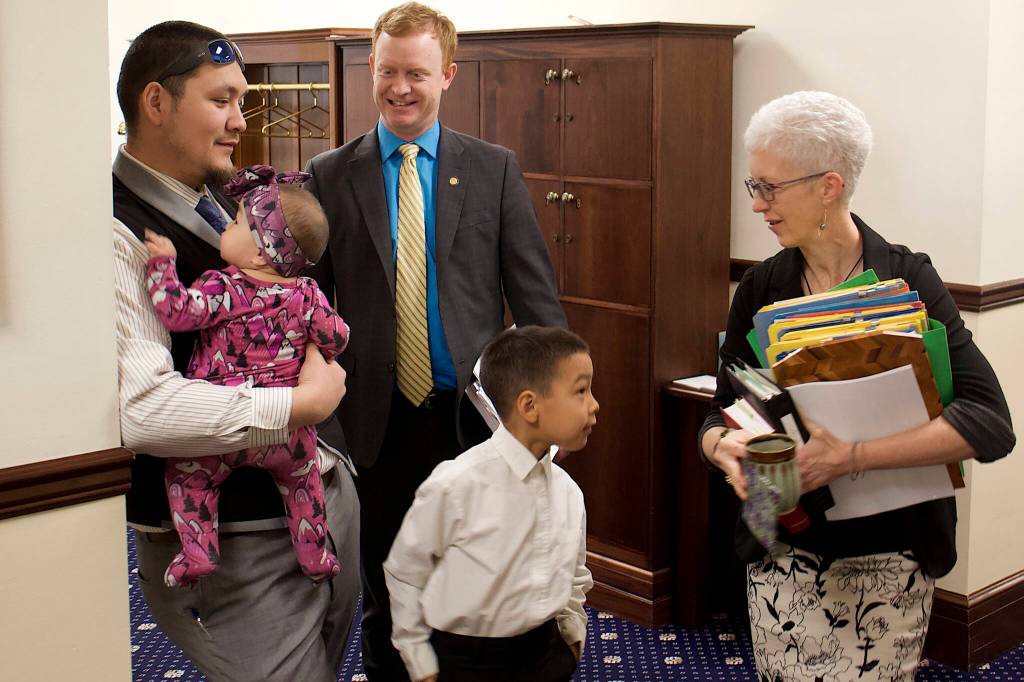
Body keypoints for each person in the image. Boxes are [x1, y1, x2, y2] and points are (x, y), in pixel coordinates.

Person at [699, 90, 1015, 681]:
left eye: (771, 188)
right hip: (783, 549)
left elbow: (990, 423)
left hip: (890, 556)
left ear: (829, 186)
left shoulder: (907, 278)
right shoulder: (762, 288)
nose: (757, 205)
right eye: (753, 187)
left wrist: (850, 458)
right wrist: (725, 451)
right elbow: (720, 414)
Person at [304, 3, 567, 679]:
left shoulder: (493, 170)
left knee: (484, 590)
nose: (400, 87)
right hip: (373, 427)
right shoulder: (330, 174)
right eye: (388, 71)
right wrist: (326, 425)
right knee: (391, 594)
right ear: (372, 68)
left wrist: (555, 409)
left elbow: (535, 302)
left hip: (473, 426)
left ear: (447, 74)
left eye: (416, 73)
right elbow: (309, 308)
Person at [112, 21, 360, 682]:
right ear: (156, 104)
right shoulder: (117, 230)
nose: (239, 121)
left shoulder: (223, 198)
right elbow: (142, 409)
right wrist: (300, 401)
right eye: (221, 100)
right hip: (233, 542)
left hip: (313, 497)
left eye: (241, 101)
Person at [144, 165, 349, 588]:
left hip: (228, 423)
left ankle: (197, 554)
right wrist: (315, 353)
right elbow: (338, 337)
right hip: (288, 430)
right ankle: (316, 556)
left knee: (188, 478)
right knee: (303, 485)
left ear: (260, 252)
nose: (227, 223)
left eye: (237, 221)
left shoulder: (223, 287)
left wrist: (162, 265)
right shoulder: (307, 293)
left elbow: (178, 312)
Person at [384, 325, 596, 682]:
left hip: (546, 653)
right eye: (581, 391)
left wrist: (572, 637)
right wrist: (420, 661)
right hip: (468, 662)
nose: (594, 404)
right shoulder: (457, 483)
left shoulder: (568, 491)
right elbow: (406, 572)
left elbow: (575, 576)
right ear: (529, 405)